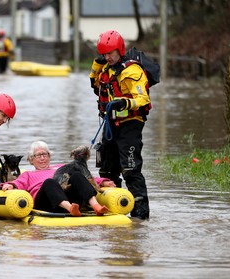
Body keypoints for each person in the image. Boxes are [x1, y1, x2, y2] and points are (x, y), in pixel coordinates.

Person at [89, 30, 151, 219]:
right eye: (104, 54)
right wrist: (96, 66)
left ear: (120, 50)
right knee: (107, 171)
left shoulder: (133, 71)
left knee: (131, 169)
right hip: (110, 125)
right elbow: (94, 84)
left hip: (130, 124)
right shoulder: (105, 70)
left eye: (111, 53)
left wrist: (125, 102)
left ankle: (140, 216)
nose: (107, 57)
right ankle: (114, 209)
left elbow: (143, 99)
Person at [1, 141, 115, 216]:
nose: (42, 158)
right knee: (50, 182)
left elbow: (87, 176)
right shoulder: (28, 174)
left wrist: (103, 182)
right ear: (31, 159)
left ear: (49, 157)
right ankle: (71, 209)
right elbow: (17, 183)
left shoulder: (61, 167)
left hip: (68, 197)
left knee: (76, 175)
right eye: (38, 155)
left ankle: (96, 207)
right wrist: (9, 185)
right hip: (46, 203)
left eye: (45, 155)